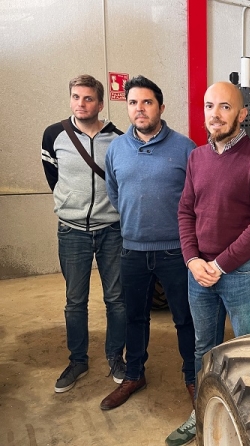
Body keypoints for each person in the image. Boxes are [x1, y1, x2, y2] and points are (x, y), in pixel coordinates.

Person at [166, 81, 250, 446]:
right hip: (199, 272)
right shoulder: (197, 157)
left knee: (247, 351)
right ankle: (202, 411)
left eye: (225, 107)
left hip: (242, 273)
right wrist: (192, 259)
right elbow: (186, 211)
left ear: (243, 113)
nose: (215, 114)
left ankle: (248, 422)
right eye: (209, 106)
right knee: (205, 349)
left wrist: (222, 264)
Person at [100, 76, 197, 411]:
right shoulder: (116, 149)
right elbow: (115, 192)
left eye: (146, 102)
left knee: (185, 318)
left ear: (161, 107)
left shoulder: (185, 148)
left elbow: (195, 198)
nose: (139, 109)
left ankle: (193, 376)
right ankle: (134, 374)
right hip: (132, 250)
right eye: (132, 103)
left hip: (175, 250)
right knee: (134, 317)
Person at [41, 74, 126, 393]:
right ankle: (78, 360)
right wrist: (70, 204)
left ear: (100, 103)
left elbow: (120, 183)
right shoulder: (54, 135)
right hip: (72, 231)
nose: (81, 103)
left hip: (111, 231)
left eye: (88, 98)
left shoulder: (118, 139)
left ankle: (116, 358)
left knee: (116, 299)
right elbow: (53, 175)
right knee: (74, 300)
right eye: (76, 97)